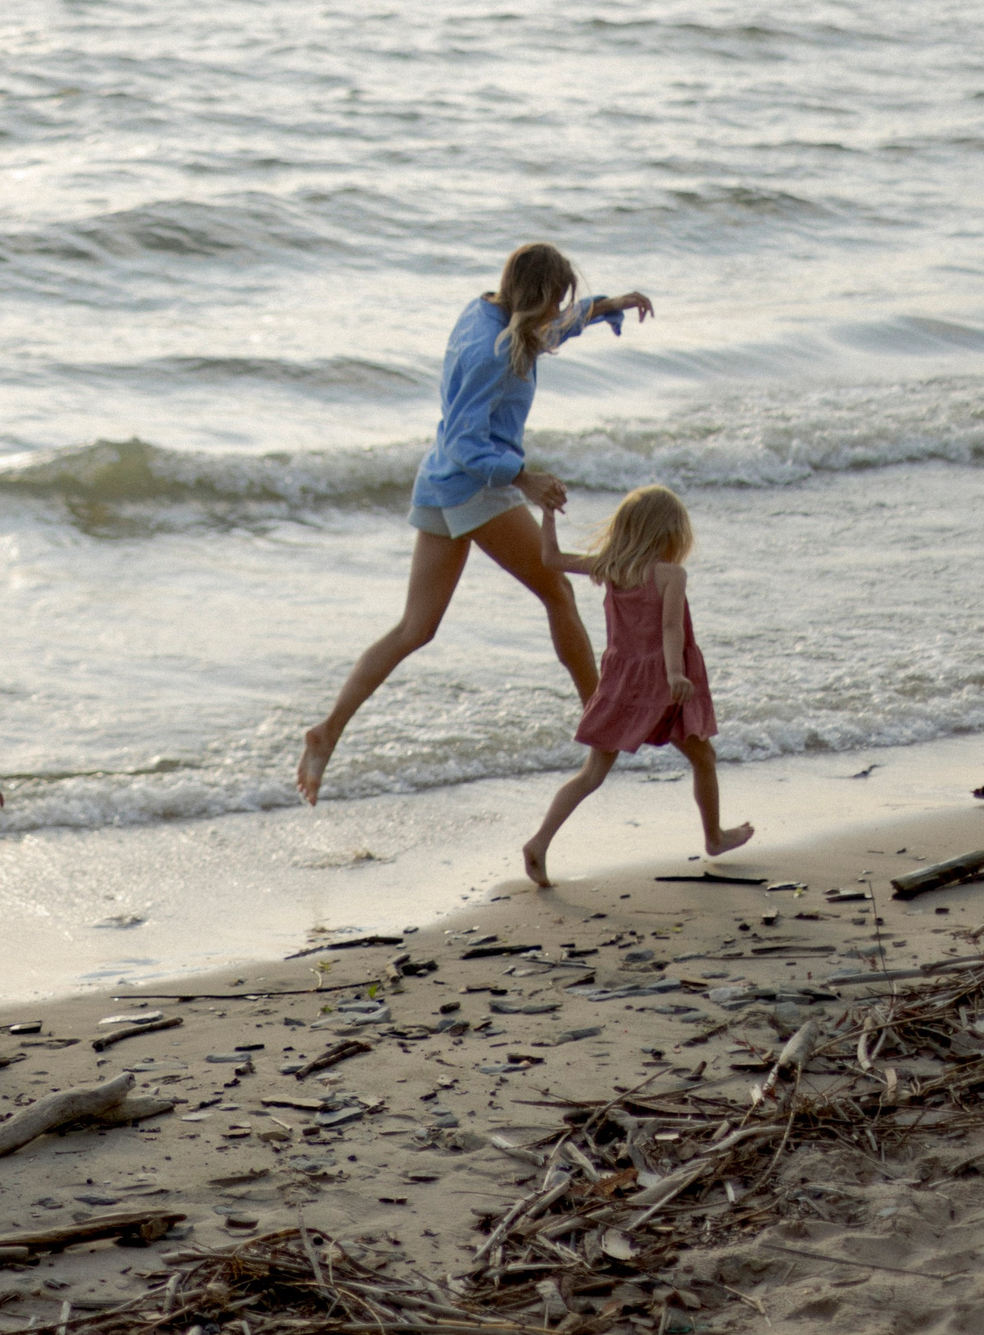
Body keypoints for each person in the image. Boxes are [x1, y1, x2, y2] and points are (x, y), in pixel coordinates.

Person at [296, 243, 655, 805]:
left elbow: (546, 331)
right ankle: (601, 723)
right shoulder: (494, 350)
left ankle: (327, 731)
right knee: (559, 590)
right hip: (473, 486)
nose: (556, 312)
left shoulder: (483, 310)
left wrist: (604, 306)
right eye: (555, 301)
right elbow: (469, 444)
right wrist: (524, 477)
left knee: (415, 628)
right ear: (534, 298)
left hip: (439, 481)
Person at [520, 487, 752, 885]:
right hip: (664, 684)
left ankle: (540, 842)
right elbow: (670, 627)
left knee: (592, 772)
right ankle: (713, 836)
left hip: (620, 683)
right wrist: (676, 674)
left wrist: (548, 514)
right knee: (704, 758)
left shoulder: (613, 568)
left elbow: (550, 559)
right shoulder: (670, 574)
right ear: (671, 533)